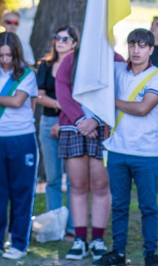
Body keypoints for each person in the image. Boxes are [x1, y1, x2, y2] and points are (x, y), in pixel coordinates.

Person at [93, 29, 158, 266]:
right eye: (132, 45)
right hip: (117, 150)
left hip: (146, 152)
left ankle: (150, 254)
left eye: (142, 46)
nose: (136, 50)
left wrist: (110, 101)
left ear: (151, 49)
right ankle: (117, 252)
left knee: (148, 207)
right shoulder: (116, 71)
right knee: (119, 206)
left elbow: (143, 108)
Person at [0, 32, 39, 260]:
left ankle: (18, 243)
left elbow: (17, 101)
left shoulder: (27, 73)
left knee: (21, 193)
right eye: (0, 55)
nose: (5, 59)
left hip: (21, 139)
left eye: (9, 55)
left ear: (16, 53)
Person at [55, 33, 113, 261]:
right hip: (74, 127)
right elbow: (62, 91)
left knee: (100, 186)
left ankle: (97, 239)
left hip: (102, 129)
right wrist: (80, 120)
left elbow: (116, 92)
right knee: (78, 185)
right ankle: (79, 238)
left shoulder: (113, 59)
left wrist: (96, 120)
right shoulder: (71, 59)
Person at [36, 25, 79, 244]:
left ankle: (72, 228)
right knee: (52, 179)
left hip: (72, 125)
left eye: (66, 38)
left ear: (74, 43)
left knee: (73, 180)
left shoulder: (78, 67)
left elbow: (80, 98)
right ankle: (54, 227)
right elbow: (39, 96)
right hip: (48, 123)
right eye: (57, 38)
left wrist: (66, 111)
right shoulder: (45, 64)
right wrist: (60, 104)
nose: (60, 41)